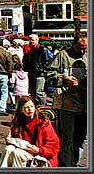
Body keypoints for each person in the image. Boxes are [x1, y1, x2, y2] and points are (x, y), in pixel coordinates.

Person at [45, 33, 87, 167]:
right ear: (73, 44)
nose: (82, 51)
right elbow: (48, 74)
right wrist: (63, 79)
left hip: (85, 106)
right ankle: (66, 165)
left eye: (85, 48)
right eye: (79, 47)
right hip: (66, 105)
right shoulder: (62, 55)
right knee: (66, 138)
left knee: (80, 139)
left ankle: (75, 163)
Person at [0, 96, 60, 167]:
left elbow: (54, 147)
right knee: (8, 149)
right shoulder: (17, 123)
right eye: (26, 107)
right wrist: (11, 141)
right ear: (21, 110)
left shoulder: (43, 123)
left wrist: (38, 150)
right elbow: (14, 138)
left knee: (18, 153)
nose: (30, 109)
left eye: (32, 106)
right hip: (26, 151)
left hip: (41, 155)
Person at [22, 34, 50, 106]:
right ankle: (35, 107)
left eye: (33, 40)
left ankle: (44, 107)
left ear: (37, 40)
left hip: (40, 75)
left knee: (39, 92)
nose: (31, 41)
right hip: (31, 74)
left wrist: (42, 70)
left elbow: (47, 61)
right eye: (30, 40)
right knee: (32, 92)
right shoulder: (30, 51)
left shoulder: (42, 49)